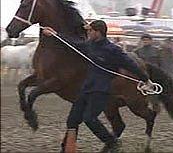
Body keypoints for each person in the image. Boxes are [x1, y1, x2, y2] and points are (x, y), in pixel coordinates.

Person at [42, 20, 153, 153]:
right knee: (72, 120)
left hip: (101, 91)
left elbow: (131, 65)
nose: (88, 33)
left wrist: (146, 80)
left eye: (90, 31)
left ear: (98, 32)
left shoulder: (113, 50)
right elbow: (73, 44)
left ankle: (112, 143)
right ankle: (68, 149)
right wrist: (55, 34)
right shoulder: (89, 45)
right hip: (86, 89)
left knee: (89, 119)